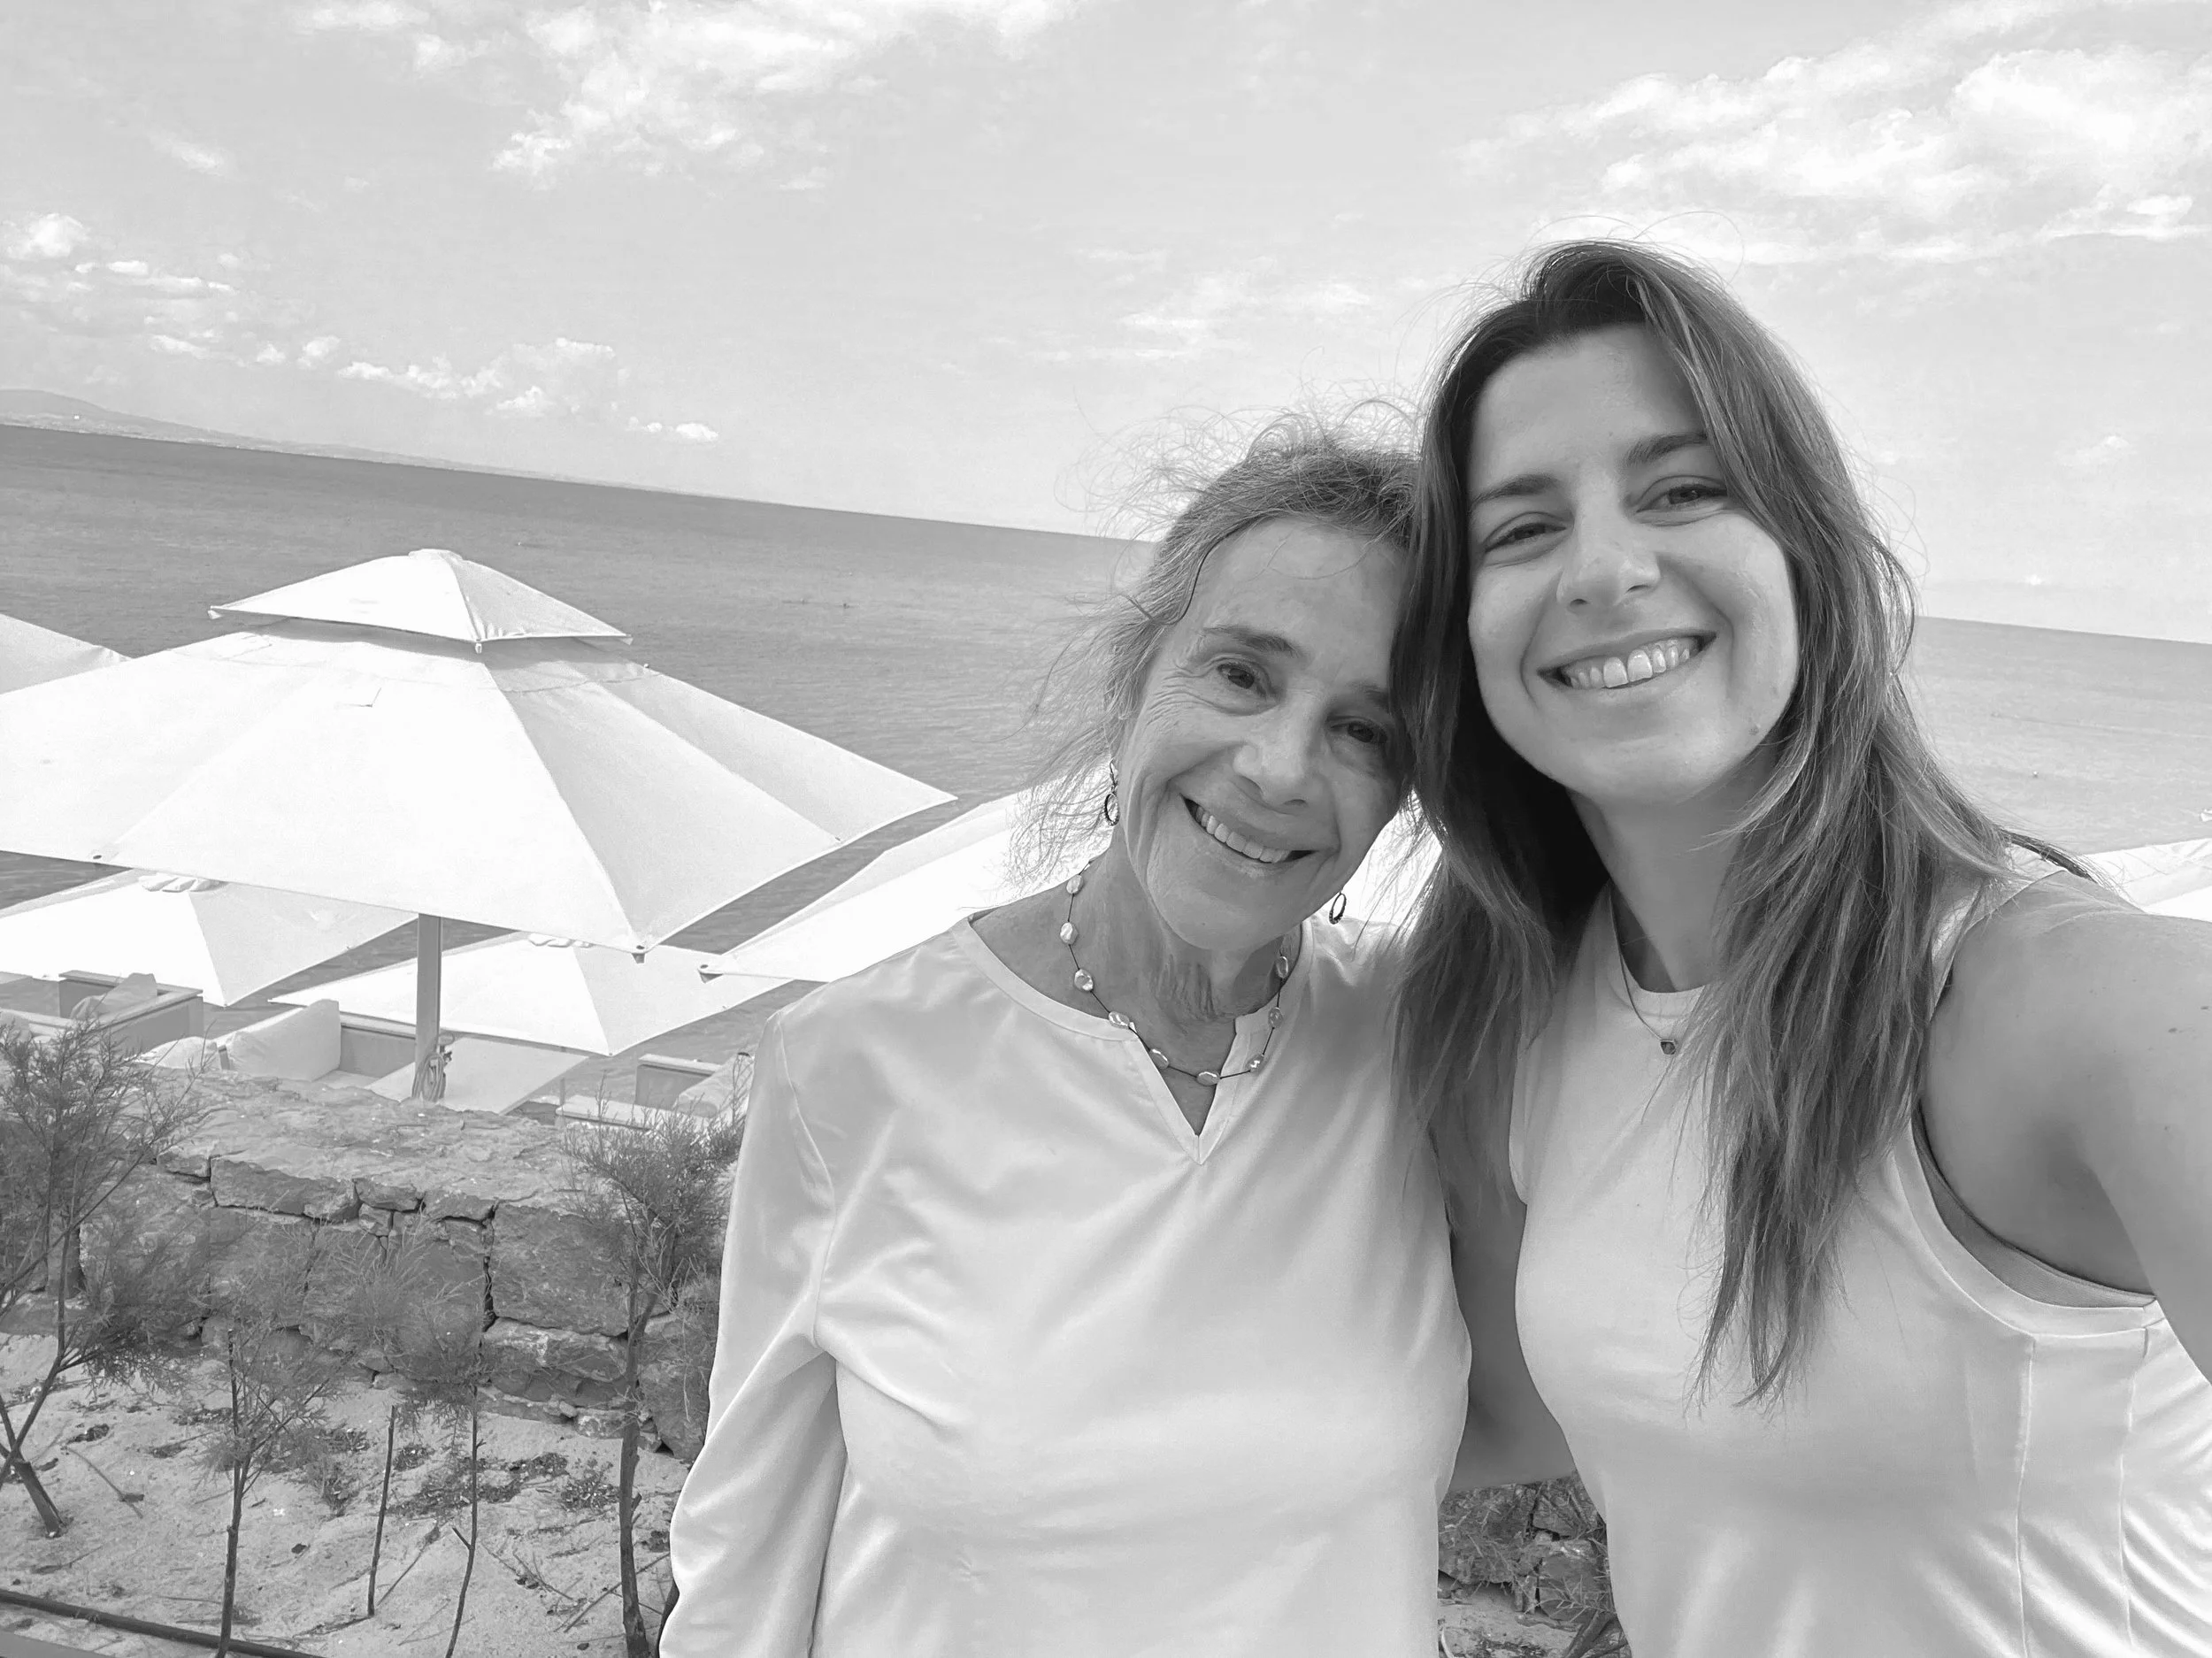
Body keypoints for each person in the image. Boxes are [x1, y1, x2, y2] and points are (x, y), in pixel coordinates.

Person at [1393, 240, 2212, 1656]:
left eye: (1682, 490)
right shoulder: (1520, 1013)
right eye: (1521, 528)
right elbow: (1515, 1415)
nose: (1603, 568)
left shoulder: (2078, 1002)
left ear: (1808, 557)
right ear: (1460, 637)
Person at [663, 422, 1471, 1658]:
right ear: (1135, 674)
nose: (1279, 767)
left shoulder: (1423, 1046)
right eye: (1242, 673)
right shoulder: (855, 1061)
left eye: (1367, 730)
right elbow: (745, 1567)